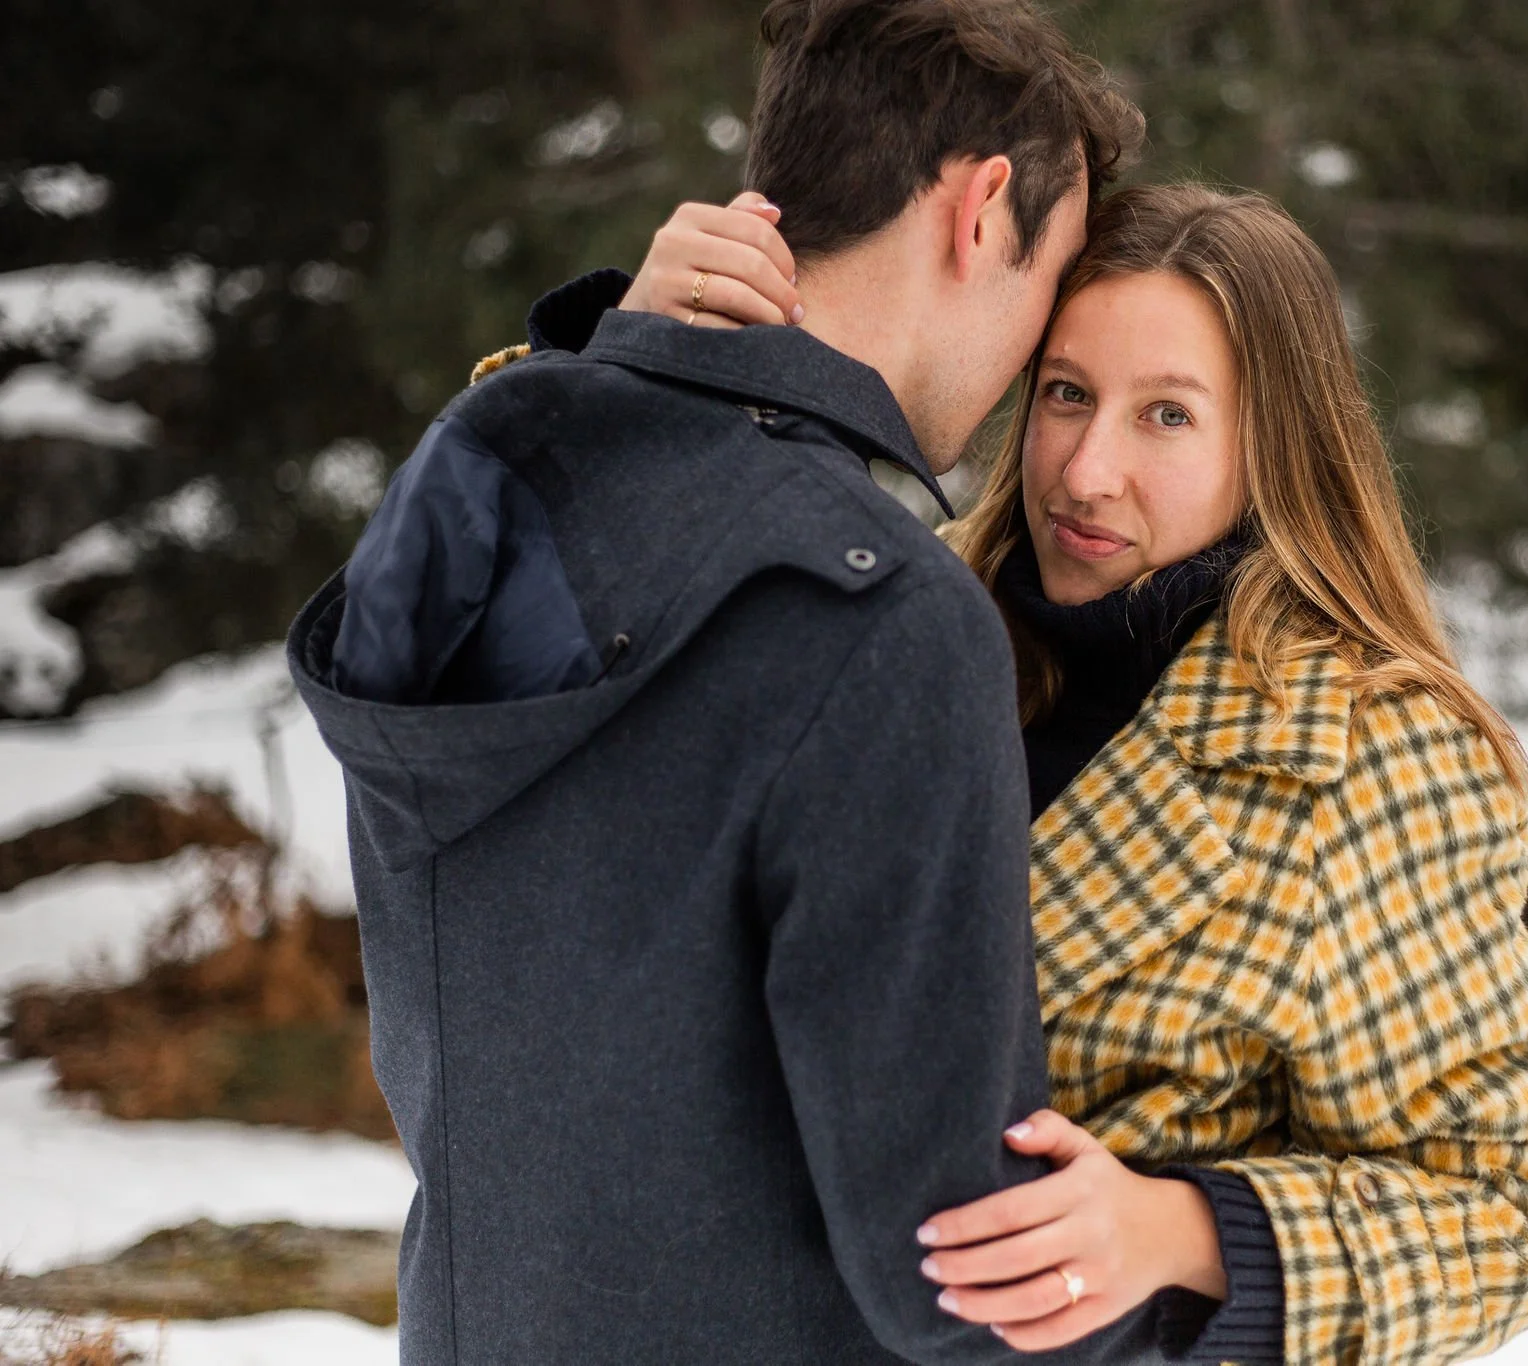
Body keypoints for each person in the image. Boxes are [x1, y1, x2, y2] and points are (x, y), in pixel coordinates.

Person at [285, 2, 1172, 1363]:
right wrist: (1223, 1264)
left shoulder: (470, 513)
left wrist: (622, 358)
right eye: (1053, 274)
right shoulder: (883, 615)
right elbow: (958, 1271)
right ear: (985, 208)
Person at [590, 181, 1528, 1365]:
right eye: (1066, 394)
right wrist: (626, 377)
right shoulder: (878, 612)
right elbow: (557, 726)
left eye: (1166, 416)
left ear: (1273, 441)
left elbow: (1503, 1216)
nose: (1084, 470)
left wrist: (1181, 1229)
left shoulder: (1368, 755)